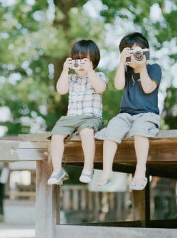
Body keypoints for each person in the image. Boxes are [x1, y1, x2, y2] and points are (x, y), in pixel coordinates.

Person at [95, 32, 161, 190]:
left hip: (147, 114)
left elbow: (148, 88)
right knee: (111, 130)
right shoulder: (126, 70)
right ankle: (107, 171)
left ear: (146, 52)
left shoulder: (154, 68)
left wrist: (142, 66)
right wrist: (121, 62)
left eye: (138, 51)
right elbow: (118, 85)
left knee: (139, 131)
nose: (135, 56)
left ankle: (140, 171)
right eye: (130, 52)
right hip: (126, 115)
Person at [47, 39, 108, 185]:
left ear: (94, 61)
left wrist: (90, 71)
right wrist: (64, 70)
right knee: (55, 135)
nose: (80, 64)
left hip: (91, 118)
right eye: (77, 60)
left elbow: (100, 88)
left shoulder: (99, 75)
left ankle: (88, 167)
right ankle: (57, 170)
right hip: (71, 118)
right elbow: (61, 90)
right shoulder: (71, 78)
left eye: (84, 60)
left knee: (86, 132)